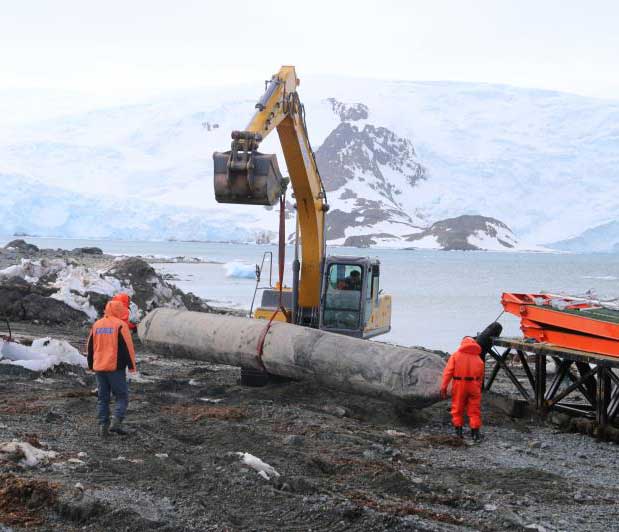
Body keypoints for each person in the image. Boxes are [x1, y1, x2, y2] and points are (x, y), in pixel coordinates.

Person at [87, 300, 137, 437]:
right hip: (115, 367)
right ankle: (116, 422)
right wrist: (132, 366)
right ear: (120, 310)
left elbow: (90, 346)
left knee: (103, 398)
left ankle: (103, 427)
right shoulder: (121, 325)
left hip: (99, 367)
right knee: (122, 396)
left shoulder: (97, 324)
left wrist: (91, 364)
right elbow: (128, 348)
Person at [440, 336, 484, 442]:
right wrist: (478, 388)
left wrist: (444, 387)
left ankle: (459, 434)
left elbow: (448, 372)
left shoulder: (456, 356)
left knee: (457, 409)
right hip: (474, 385)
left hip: (460, 385)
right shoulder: (478, 358)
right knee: (474, 410)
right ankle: (475, 435)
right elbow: (481, 377)